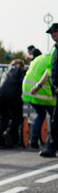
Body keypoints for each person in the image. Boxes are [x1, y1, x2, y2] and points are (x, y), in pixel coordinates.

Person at [22, 47, 54, 150]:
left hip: (27, 90)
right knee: (54, 117)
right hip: (41, 90)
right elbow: (49, 74)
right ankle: (52, 142)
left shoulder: (38, 58)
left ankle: (34, 139)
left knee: (41, 114)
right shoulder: (53, 58)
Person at [35, 23, 58, 157]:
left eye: (55, 31)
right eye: (51, 32)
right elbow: (49, 71)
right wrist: (39, 86)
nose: (53, 34)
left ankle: (52, 147)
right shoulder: (55, 49)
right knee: (55, 119)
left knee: (55, 120)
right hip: (56, 89)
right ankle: (52, 147)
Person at [0, 60, 26, 148]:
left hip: (0, 95)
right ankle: (9, 132)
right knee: (18, 118)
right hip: (13, 95)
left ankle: (0, 142)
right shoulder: (22, 71)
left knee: (3, 118)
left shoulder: (7, 72)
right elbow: (23, 83)